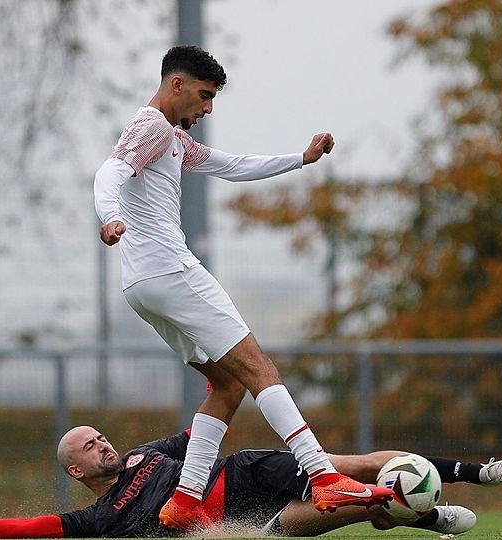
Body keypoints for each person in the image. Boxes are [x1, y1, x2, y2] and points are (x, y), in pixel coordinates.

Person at [92, 43, 391, 529]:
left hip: (142, 286)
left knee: (228, 384)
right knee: (258, 368)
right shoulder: (152, 127)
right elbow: (109, 171)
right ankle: (323, 475)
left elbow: (230, 165)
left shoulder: (171, 138)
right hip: (171, 271)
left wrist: (301, 159)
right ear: (177, 85)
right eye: (205, 95)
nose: (208, 108)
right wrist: (109, 216)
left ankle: (186, 500)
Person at [0, 425, 502, 539]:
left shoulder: (144, 454)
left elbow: (202, 427)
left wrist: (221, 371)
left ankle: (480, 473)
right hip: (245, 522)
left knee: (353, 468)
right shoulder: (97, 520)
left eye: (100, 436)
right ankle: (426, 515)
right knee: (349, 509)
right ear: (76, 471)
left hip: (246, 470)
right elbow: (32, 527)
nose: (102, 443)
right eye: (89, 446)